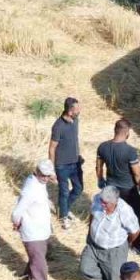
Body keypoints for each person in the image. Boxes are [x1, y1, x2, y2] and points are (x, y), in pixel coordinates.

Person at [97, 119, 140, 254]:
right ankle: (136, 245)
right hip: (128, 190)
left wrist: (100, 179)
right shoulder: (130, 151)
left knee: (113, 215)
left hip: (111, 189)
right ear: (127, 133)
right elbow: (137, 173)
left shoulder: (102, 147)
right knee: (135, 217)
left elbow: (98, 166)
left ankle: (115, 240)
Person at [80, 186, 140, 280]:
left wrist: (127, 244)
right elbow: (92, 214)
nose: (102, 204)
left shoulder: (125, 211)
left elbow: (135, 231)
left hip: (114, 250)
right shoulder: (98, 199)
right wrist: (90, 233)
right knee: (85, 268)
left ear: (115, 202)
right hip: (94, 244)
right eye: (101, 201)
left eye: (106, 203)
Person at [12, 159, 56, 280]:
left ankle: (26, 278)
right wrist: (16, 222)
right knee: (40, 263)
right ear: (36, 171)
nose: (45, 178)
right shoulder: (30, 189)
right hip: (33, 231)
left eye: (48, 176)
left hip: (41, 229)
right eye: (43, 175)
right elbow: (17, 211)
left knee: (37, 257)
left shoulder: (38, 183)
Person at [49, 97, 84, 229]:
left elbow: (74, 140)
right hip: (62, 165)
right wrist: (51, 169)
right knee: (64, 191)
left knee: (79, 188)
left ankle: (64, 208)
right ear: (70, 111)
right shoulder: (58, 126)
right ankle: (63, 216)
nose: (79, 111)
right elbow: (52, 148)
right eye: (77, 109)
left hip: (75, 163)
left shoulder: (76, 120)